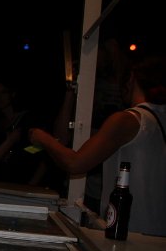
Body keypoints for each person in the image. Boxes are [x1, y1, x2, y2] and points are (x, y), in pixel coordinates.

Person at [29, 54, 166, 236]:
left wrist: (42, 138)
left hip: (130, 232)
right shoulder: (159, 119)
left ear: (132, 78)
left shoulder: (129, 120)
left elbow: (75, 163)